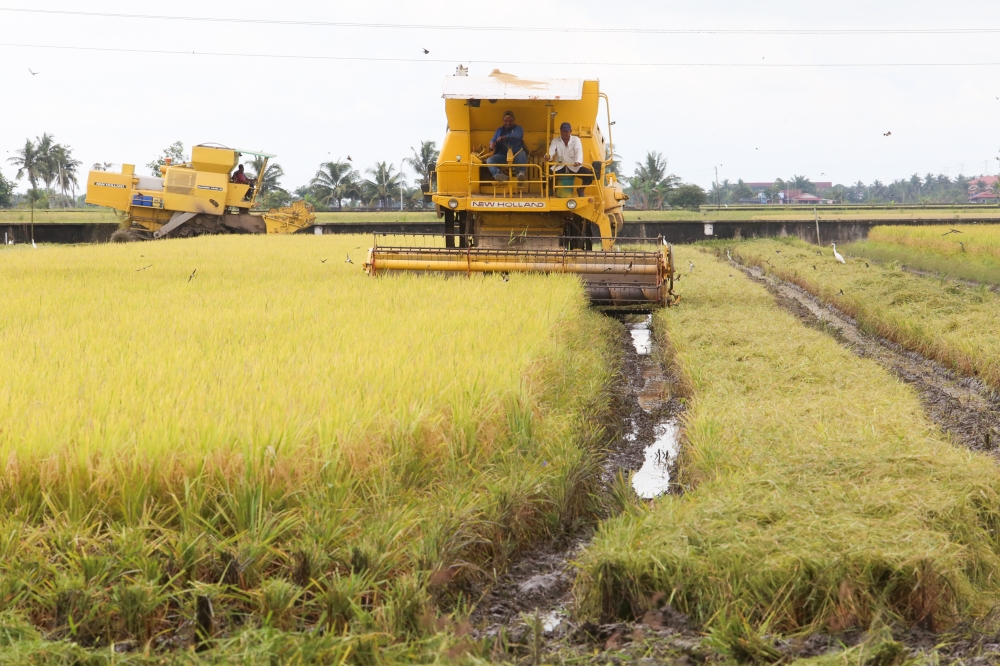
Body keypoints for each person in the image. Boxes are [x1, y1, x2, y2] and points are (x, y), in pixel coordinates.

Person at [548, 122, 593, 196]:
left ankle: (581, 189)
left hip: (573, 166)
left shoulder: (576, 140)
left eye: (566, 131)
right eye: (563, 131)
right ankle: (550, 190)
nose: (564, 133)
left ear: (570, 131)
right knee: (548, 173)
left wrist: (578, 161)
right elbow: (551, 150)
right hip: (560, 166)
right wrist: (548, 156)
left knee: (589, 174)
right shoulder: (555, 140)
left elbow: (579, 151)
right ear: (560, 131)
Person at [487, 111, 527, 182]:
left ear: (514, 119)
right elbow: (493, 139)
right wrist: (492, 144)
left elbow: (517, 135)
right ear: (503, 120)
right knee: (489, 160)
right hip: (503, 156)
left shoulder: (518, 129)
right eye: (506, 121)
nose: (508, 123)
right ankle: (499, 175)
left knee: (522, 153)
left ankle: (520, 173)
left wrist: (504, 137)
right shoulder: (499, 130)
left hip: (516, 155)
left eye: (510, 121)